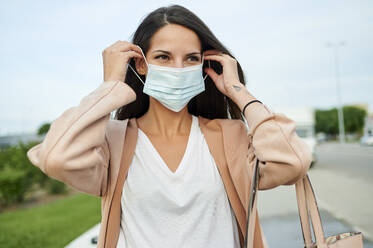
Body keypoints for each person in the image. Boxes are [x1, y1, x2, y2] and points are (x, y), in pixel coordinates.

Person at [27, 4, 312, 248]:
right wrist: (110, 88)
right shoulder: (113, 141)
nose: (178, 69)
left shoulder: (229, 135)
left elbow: (293, 162)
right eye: (163, 57)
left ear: (204, 65)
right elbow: (57, 158)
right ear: (140, 64)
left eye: (191, 58)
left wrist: (239, 92)